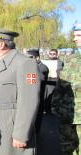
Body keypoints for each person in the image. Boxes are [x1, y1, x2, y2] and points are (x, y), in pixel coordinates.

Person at [51, 23, 81, 155]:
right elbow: (60, 86)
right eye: (74, 35)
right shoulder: (69, 59)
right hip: (67, 115)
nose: (74, 39)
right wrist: (55, 107)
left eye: (79, 35)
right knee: (68, 149)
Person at [26, 49, 49, 134]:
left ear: (37, 57)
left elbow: (39, 79)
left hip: (38, 96)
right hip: (29, 96)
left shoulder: (42, 67)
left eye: (31, 57)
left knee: (37, 116)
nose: (28, 59)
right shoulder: (30, 66)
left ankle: (36, 133)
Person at [42, 49, 64, 113]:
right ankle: (46, 109)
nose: (52, 55)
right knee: (46, 95)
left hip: (55, 80)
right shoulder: (45, 61)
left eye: (54, 54)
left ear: (57, 54)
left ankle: (54, 110)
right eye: (50, 54)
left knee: (55, 96)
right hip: (47, 80)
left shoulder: (60, 62)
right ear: (48, 54)